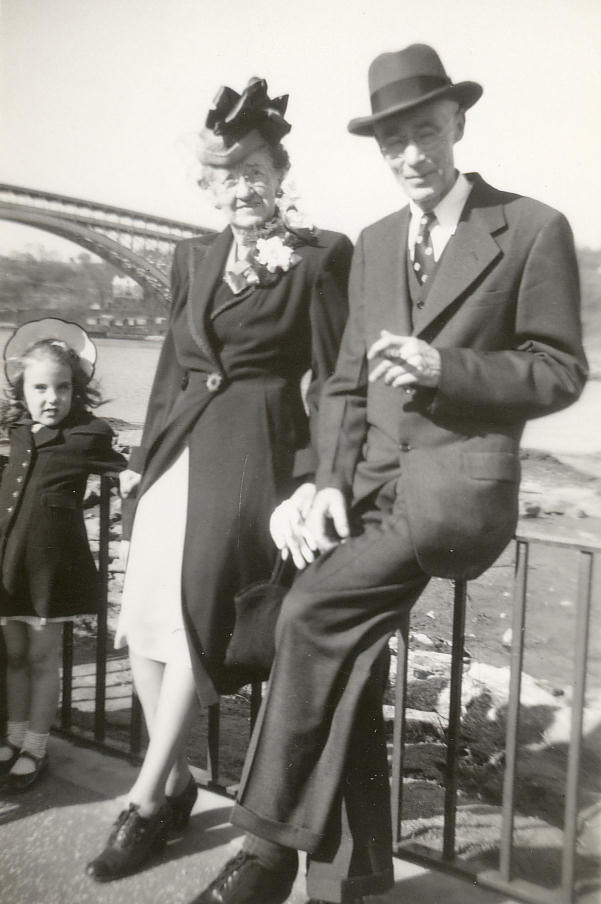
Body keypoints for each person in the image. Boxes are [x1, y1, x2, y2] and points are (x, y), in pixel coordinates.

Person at [193, 44, 588, 904]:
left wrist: (448, 369)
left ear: (458, 126)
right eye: (394, 141)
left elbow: (559, 370)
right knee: (349, 662)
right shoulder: (373, 243)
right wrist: (324, 480)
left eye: (427, 132)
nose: (413, 154)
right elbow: (339, 381)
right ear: (380, 149)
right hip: (365, 488)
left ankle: (262, 854)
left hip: (451, 490)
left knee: (309, 615)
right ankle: (354, 873)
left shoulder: (530, 228)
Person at [86, 77, 352, 882]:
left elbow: (339, 377)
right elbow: (172, 364)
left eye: (256, 171)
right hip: (176, 452)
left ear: (280, 173)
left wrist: (313, 476)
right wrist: (139, 468)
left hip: (254, 451)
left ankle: (142, 798)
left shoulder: (320, 255)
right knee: (141, 615)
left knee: (193, 618)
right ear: (209, 186)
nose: (243, 187)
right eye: (226, 176)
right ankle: (175, 787)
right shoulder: (189, 254)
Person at [0, 319, 125, 792]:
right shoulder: (11, 432)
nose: (51, 398)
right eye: (40, 388)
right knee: (13, 656)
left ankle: (35, 746)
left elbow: (126, 469)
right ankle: (11, 739)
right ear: (22, 389)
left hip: (50, 572)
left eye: (62, 387)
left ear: (76, 390)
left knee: (40, 658)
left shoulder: (88, 436)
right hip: (8, 563)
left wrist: (132, 480)